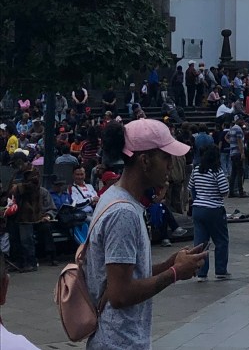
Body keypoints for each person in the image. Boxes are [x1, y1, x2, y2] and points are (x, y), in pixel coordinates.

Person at [83, 120, 206, 350]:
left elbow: (127, 275)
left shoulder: (116, 197)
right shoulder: (123, 213)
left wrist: (170, 264)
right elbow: (120, 294)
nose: (170, 165)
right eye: (165, 157)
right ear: (145, 160)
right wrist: (174, 273)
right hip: (118, 343)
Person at [188, 144, 231, 281]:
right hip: (214, 209)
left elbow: (190, 187)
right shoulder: (217, 171)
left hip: (198, 208)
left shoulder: (196, 170)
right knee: (221, 240)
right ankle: (220, 271)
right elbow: (224, 191)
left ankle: (201, 272)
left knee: (200, 242)